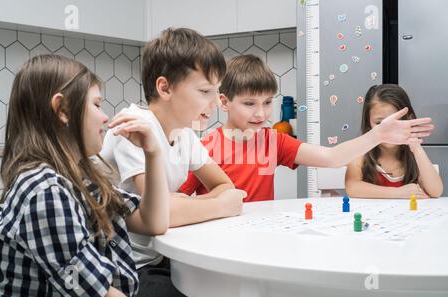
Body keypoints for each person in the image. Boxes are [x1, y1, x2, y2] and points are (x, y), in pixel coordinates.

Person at [0, 54, 169, 297]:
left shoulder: (81, 178)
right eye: (97, 105)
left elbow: (153, 223)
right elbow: (99, 294)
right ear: (63, 110)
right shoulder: (44, 191)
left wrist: (153, 153)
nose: (105, 117)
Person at [100, 28, 246, 297]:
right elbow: (163, 214)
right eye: (205, 91)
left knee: (231, 289)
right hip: (126, 268)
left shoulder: (185, 134)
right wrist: (218, 206)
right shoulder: (133, 128)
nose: (215, 102)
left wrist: (185, 203)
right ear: (164, 88)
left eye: (217, 92)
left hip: (163, 256)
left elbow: (225, 186)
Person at [179, 55, 435, 201]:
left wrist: (377, 133)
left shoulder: (273, 141)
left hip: (259, 239)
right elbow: (176, 201)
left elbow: (333, 158)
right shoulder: (204, 148)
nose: (261, 113)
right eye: (249, 103)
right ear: (224, 102)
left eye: (267, 102)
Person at [345, 84, 443, 198]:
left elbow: (436, 191)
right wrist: (398, 193)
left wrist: (417, 148)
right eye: (379, 123)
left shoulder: (414, 155)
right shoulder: (361, 152)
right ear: (368, 124)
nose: (388, 129)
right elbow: (352, 187)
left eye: (396, 121)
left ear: (409, 119)